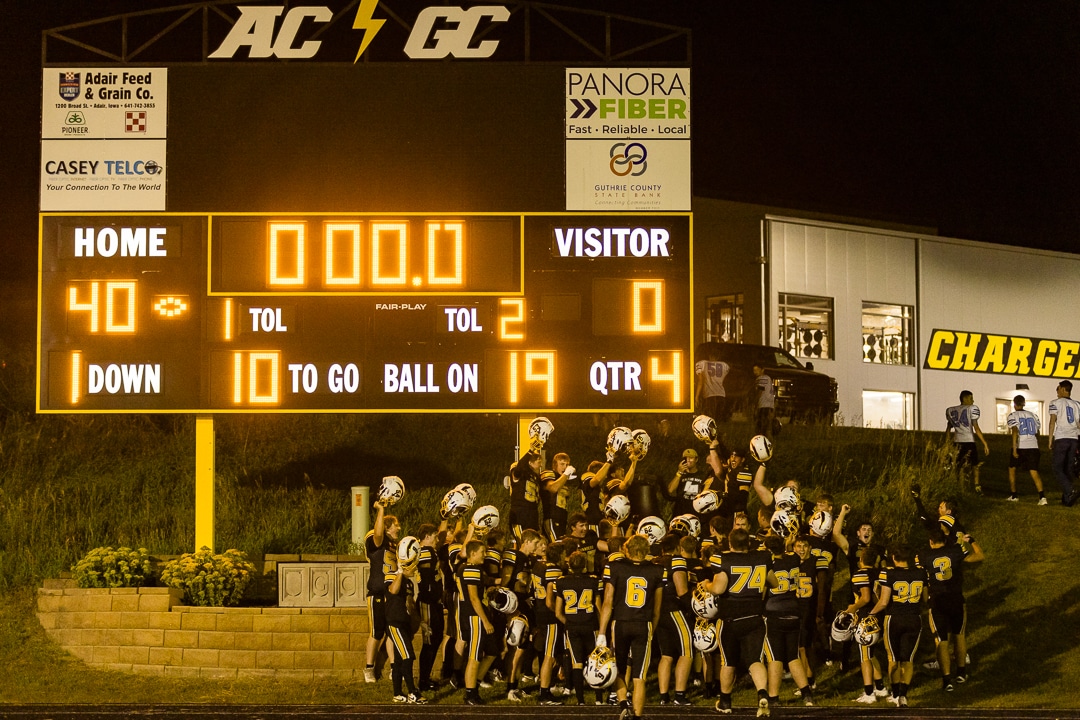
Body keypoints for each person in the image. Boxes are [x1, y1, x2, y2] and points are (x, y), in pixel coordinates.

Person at [705, 527, 777, 717]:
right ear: (749, 543)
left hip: (730, 617)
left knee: (728, 661)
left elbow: (719, 589)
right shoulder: (762, 557)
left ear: (730, 543)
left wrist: (706, 585)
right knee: (755, 660)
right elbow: (774, 582)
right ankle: (762, 693)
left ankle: (725, 701)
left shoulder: (722, 559)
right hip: (754, 616)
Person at [598, 533, 666, 720]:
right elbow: (657, 609)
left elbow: (607, 602)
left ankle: (623, 705)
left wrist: (602, 632)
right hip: (643, 623)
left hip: (620, 622)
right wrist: (652, 629)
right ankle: (637, 716)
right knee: (639, 676)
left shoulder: (615, 567)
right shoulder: (657, 570)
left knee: (619, 669)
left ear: (626, 549)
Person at [919, 526, 984, 691]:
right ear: (945, 540)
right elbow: (979, 556)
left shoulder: (924, 555)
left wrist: (925, 598)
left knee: (941, 641)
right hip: (955, 598)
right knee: (959, 635)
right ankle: (961, 673)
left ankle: (947, 680)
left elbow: (920, 576)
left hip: (937, 600)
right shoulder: (955, 550)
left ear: (931, 541)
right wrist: (972, 541)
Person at [867, 545, 928, 708]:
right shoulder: (920, 572)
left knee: (893, 660)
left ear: (894, 557)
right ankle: (903, 695)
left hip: (894, 619)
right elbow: (925, 598)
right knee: (908, 660)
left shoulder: (889, 573)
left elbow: (883, 602)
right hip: (914, 618)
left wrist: (870, 614)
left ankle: (895, 694)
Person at [762, 534, 814, 708]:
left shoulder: (769, 565)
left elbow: (763, 591)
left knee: (775, 658)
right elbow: (789, 553)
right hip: (794, 611)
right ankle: (807, 694)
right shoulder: (793, 560)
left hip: (774, 613)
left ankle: (774, 697)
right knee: (793, 656)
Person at [554, 550, 602, 706]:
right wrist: (602, 627)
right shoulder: (593, 580)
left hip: (572, 626)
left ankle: (580, 700)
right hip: (590, 625)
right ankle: (599, 699)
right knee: (595, 661)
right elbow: (599, 607)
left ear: (569, 565)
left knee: (577, 663)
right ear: (584, 565)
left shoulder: (561, 582)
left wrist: (569, 622)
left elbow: (558, 612)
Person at [364, 499, 401, 683]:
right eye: (395, 525)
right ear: (387, 527)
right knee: (377, 632)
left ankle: (394, 668)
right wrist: (381, 510)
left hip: (392, 593)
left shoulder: (395, 544)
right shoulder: (376, 539)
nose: (398, 528)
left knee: (392, 631)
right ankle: (369, 668)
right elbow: (378, 535)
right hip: (377, 592)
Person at [455, 539, 496, 705]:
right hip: (475, 617)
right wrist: (485, 621)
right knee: (475, 655)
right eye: (482, 552)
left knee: (492, 651)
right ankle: (470, 693)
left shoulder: (465, 567)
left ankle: (474, 684)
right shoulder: (471, 569)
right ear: (472, 553)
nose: (484, 555)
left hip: (471, 615)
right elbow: (473, 597)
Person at [385, 551, 426, 703]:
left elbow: (410, 604)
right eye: (412, 566)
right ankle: (413, 692)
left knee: (399, 660)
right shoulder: (392, 576)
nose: (414, 569)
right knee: (408, 656)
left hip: (404, 624)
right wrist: (400, 571)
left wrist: (418, 622)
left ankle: (397, 693)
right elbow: (393, 590)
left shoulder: (409, 583)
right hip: (394, 624)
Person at [414, 523, 444, 692]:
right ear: (427, 536)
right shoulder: (425, 551)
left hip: (433, 601)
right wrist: (431, 594)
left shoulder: (430, 551)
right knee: (430, 641)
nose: (437, 539)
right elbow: (425, 577)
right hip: (428, 601)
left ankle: (426, 678)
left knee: (436, 638)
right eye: (434, 536)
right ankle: (423, 680)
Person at [945, 390, 990, 494]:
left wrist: (947, 443)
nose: (973, 401)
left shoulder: (951, 410)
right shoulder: (971, 409)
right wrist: (985, 443)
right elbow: (976, 428)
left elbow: (948, 429)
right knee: (975, 464)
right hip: (969, 441)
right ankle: (977, 486)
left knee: (957, 465)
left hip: (957, 441)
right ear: (964, 399)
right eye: (971, 398)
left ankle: (957, 486)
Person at [1006, 395, 1047, 504]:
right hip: (1033, 446)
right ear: (1024, 403)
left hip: (1021, 446)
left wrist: (1014, 449)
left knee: (1012, 469)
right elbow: (1037, 432)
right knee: (1034, 471)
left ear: (1014, 404)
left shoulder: (1013, 415)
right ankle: (1042, 497)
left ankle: (1014, 495)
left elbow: (1015, 431)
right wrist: (1037, 444)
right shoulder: (1033, 415)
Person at [1047, 380, 1080, 506]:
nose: (1057, 391)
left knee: (1057, 468)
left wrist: (1050, 439)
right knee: (1068, 468)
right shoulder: (1077, 404)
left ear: (1063, 389)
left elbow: (1052, 421)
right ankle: (1067, 498)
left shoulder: (1055, 403)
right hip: (1074, 438)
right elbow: (1078, 423)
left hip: (1062, 438)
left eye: (1058, 388)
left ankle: (1070, 490)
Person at [666, 447, 712, 518]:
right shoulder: (680, 475)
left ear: (696, 459)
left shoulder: (703, 475)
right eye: (686, 458)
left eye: (691, 458)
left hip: (696, 514)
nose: (688, 460)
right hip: (680, 513)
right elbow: (670, 490)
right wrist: (679, 472)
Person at [541, 452, 575, 541]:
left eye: (567, 465)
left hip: (562, 519)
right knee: (557, 545)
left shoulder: (564, 480)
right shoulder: (549, 473)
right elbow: (553, 488)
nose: (565, 467)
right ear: (555, 465)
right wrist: (566, 474)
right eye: (562, 464)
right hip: (552, 517)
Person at [509, 450, 543, 538]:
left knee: (534, 541)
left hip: (532, 515)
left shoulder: (536, 477)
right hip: (520, 514)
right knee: (522, 541)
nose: (541, 465)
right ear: (530, 462)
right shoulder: (520, 473)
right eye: (539, 462)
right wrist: (530, 452)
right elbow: (518, 470)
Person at [695, 347, 730, 422]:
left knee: (709, 420)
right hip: (721, 395)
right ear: (718, 356)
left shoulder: (703, 364)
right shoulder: (724, 365)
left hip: (709, 395)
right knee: (718, 420)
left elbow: (700, 381)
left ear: (709, 355)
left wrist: (697, 396)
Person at [753, 364, 777, 438]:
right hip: (769, 405)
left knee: (761, 426)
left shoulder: (761, 379)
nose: (755, 372)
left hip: (763, 405)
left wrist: (755, 404)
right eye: (754, 370)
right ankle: (768, 440)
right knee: (767, 425)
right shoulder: (768, 378)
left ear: (762, 370)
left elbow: (759, 392)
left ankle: (761, 440)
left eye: (757, 370)